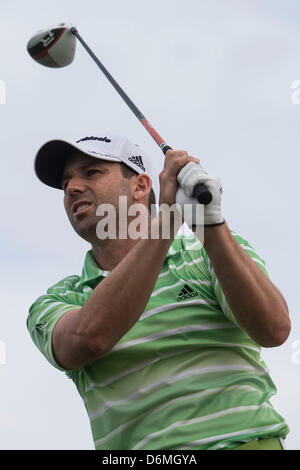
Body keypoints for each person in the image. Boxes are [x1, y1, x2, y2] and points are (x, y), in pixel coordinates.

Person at [27, 131, 291, 450]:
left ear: (140, 185)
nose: (71, 187)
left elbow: (273, 329)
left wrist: (208, 221)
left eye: (91, 172)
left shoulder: (206, 251)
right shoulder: (58, 299)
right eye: (67, 181)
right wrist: (168, 219)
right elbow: (89, 338)